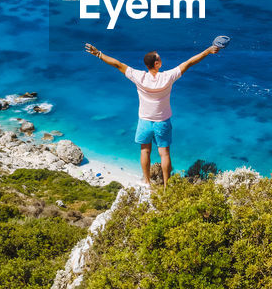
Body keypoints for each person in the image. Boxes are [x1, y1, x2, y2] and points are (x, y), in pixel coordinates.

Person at [84, 42, 220, 188]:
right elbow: (189, 63)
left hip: (144, 121)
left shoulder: (138, 77)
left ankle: (147, 181)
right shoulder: (168, 77)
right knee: (165, 154)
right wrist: (207, 51)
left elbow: (117, 64)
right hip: (162, 121)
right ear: (157, 64)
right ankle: (167, 186)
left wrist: (98, 54)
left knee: (145, 150)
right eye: (159, 59)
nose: (162, 60)